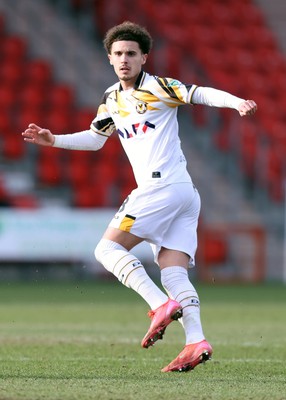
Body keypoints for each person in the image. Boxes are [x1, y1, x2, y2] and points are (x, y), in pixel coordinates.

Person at [22, 21, 257, 372]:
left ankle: (159, 305)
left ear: (144, 57)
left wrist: (236, 102)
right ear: (109, 58)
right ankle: (195, 341)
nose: (124, 59)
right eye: (118, 54)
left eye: (131, 53)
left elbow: (200, 92)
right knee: (175, 274)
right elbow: (95, 137)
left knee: (106, 249)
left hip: (161, 189)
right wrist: (53, 139)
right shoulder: (111, 98)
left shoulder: (160, 87)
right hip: (183, 195)